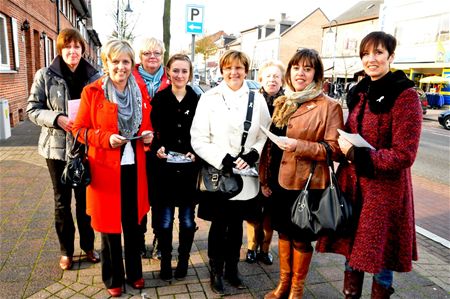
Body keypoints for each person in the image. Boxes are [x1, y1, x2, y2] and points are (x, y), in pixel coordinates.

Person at [316, 31, 422, 299]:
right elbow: (351, 134)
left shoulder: (405, 95)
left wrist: (357, 156)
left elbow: (404, 155)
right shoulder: (360, 92)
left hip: (384, 194)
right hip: (353, 187)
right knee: (353, 253)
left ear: (391, 56)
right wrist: (336, 146)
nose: (371, 59)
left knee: (380, 259)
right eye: (365, 54)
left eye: (378, 53)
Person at [72, 39, 153, 297]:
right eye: (115, 61)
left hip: (133, 168)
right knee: (109, 226)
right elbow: (79, 130)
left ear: (132, 64)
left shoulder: (140, 90)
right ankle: (113, 277)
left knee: (132, 223)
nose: (121, 66)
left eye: (126, 62)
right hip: (105, 170)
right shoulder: (92, 92)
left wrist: (150, 136)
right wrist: (105, 139)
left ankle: (135, 273)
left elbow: (147, 125)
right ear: (106, 63)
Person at [263, 48, 344, 299]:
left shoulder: (329, 106)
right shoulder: (283, 100)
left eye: (307, 69)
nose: (301, 73)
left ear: (316, 75)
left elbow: (335, 150)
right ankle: (283, 283)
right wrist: (264, 177)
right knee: (284, 234)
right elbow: (270, 145)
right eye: (296, 68)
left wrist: (300, 146)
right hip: (279, 180)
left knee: (300, 238)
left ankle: (296, 289)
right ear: (290, 72)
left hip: (306, 184)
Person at [191, 50, 271, 295]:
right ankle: (216, 270)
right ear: (222, 71)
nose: (234, 72)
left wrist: (253, 154)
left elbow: (264, 133)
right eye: (228, 68)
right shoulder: (209, 98)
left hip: (246, 176)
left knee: (236, 226)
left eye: (239, 68)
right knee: (219, 226)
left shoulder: (256, 99)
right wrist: (223, 159)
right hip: (219, 174)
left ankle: (232, 269)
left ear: (246, 70)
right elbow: (198, 138)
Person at [26, 28, 101, 271]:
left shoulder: (94, 76)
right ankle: (66, 251)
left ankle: (88, 247)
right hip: (56, 150)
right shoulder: (45, 75)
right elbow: (32, 109)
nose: (72, 51)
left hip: (85, 147)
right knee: (61, 201)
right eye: (67, 47)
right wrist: (57, 118)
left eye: (76, 47)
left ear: (82, 50)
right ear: (61, 50)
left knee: (85, 201)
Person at [150, 54, 199, 281]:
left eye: (184, 71)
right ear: (168, 71)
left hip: (188, 171)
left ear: (190, 73)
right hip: (165, 172)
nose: (180, 75)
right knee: (165, 221)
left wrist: (194, 150)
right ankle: (166, 261)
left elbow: (201, 134)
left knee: (188, 221)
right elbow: (153, 131)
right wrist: (157, 147)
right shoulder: (159, 99)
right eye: (176, 70)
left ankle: (182, 260)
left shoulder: (197, 100)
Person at [133, 37, 171, 259]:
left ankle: (159, 238)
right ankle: (138, 239)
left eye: (157, 53)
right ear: (140, 57)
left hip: (162, 151)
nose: (152, 57)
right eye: (147, 53)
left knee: (160, 198)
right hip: (137, 148)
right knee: (138, 196)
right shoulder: (129, 77)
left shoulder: (172, 78)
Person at [245, 60, 285, 266]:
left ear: (282, 80)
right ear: (260, 79)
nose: (272, 80)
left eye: (276, 76)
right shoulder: (252, 101)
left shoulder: (288, 104)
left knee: (270, 214)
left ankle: (265, 248)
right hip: (254, 163)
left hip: (277, 168)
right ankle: (251, 247)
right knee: (253, 213)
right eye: (268, 76)